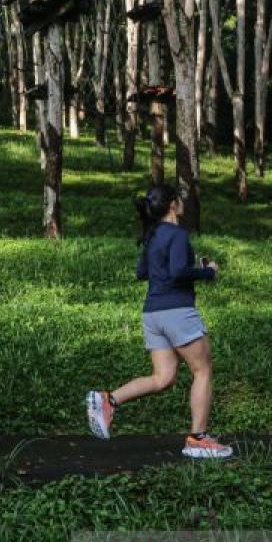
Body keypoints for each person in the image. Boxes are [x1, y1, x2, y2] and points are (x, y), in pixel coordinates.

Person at [86, 184, 232, 459]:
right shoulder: (177, 234)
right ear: (174, 204)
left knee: (163, 378)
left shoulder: (152, 236)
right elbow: (178, 272)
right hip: (177, 311)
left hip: (152, 313)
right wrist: (207, 272)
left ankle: (108, 400)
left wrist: (168, 268)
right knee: (202, 370)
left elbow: (142, 272)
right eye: (181, 200)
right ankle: (198, 439)